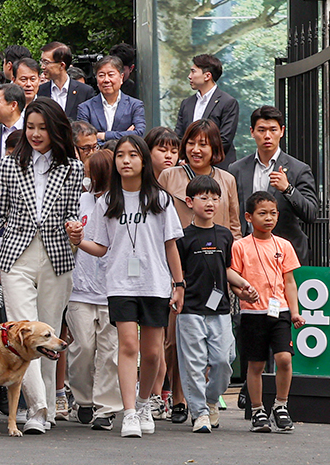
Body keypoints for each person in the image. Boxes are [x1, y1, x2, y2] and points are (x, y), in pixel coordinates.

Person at [0, 99, 84, 435]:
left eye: (42, 128)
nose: (35, 134)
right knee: (25, 332)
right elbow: (0, 212)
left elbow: (72, 212)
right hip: (15, 257)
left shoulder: (72, 167)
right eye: (30, 127)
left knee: (48, 336)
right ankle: (37, 409)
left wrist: (75, 230)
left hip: (57, 254)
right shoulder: (9, 165)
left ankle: (46, 408)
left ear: (56, 130)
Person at [72, 135, 185, 439]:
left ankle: (145, 402)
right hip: (119, 283)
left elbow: (170, 245)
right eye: (120, 155)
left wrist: (179, 284)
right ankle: (130, 412)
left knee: (151, 353)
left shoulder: (160, 199)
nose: (125, 161)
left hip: (155, 284)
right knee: (128, 346)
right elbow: (99, 246)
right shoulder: (107, 200)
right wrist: (78, 241)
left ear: (144, 160)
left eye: (132, 155)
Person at [175, 175, 253, 434]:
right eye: (204, 197)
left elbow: (227, 268)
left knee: (223, 360)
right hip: (190, 311)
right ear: (189, 201)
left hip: (220, 309)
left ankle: (210, 400)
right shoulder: (182, 237)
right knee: (194, 363)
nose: (210, 202)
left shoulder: (224, 236)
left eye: (215, 198)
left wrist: (243, 284)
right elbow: (177, 274)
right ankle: (199, 413)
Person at [232, 191, 303, 433]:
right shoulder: (240, 246)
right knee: (256, 364)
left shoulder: (284, 245)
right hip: (252, 314)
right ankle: (258, 410)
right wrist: (242, 294)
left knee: (284, 358)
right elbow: (234, 280)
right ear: (249, 217)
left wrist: (294, 312)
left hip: (280, 311)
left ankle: (281, 405)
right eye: (262, 213)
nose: (269, 218)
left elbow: (290, 281)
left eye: (273, 213)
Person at [64, 149, 120, 430]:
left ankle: (106, 407)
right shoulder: (80, 200)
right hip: (80, 287)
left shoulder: (120, 202)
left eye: (91, 173)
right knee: (83, 347)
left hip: (113, 288)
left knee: (110, 351)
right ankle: (83, 399)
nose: (87, 179)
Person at [228, 106, 319, 264]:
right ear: (252, 132)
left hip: (285, 254)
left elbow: (311, 213)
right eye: (261, 130)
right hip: (247, 253)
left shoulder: (299, 169)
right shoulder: (237, 169)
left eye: (273, 130)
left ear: (282, 131)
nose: (267, 136)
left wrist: (288, 189)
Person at [175, 54, 239, 164]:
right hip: (188, 166)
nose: (190, 76)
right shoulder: (187, 103)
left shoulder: (227, 102)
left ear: (207, 76)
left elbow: (225, 140)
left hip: (217, 167)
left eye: (193, 71)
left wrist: (202, 160)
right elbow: (179, 135)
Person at [76, 55, 145, 141]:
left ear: (121, 77)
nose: (106, 80)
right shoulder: (85, 108)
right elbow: (84, 138)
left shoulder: (135, 105)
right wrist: (125, 136)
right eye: (101, 75)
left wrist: (103, 136)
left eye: (111, 75)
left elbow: (139, 134)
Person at [38, 42, 95, 120]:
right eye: (42, 62)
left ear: (62, 65)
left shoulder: (85, 92)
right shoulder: (40, 91)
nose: (42, 67)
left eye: (46, 62)